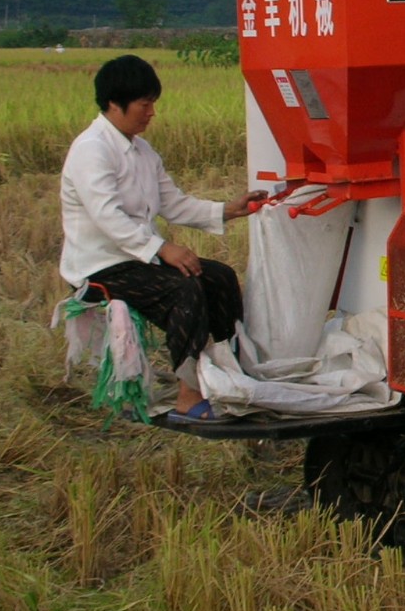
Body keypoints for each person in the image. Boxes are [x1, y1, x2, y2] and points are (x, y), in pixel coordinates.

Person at [59, 54, 267, 423]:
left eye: (153, 102)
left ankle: (229, 372)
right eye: (144, 103)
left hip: (137, 260)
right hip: (100, 267)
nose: (152, 112)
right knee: (183, 289)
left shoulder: (142, 151)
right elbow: (108, 217)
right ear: (114, 103)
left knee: (218, 277)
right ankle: (188, 392)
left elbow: (173, 203)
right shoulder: (91, 150)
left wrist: (227, 210)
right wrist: (162, 248)